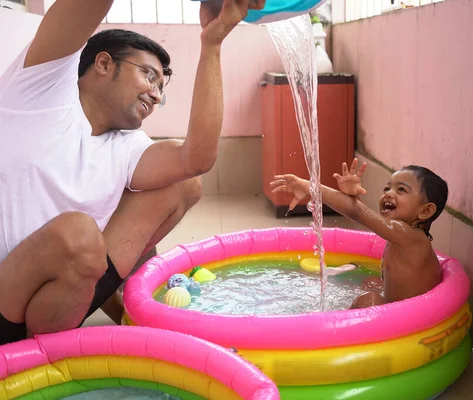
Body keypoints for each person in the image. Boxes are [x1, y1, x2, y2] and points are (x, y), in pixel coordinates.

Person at [0, 0, 266, 345]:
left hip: (60, 303)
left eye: (161, 90)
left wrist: (212, 43)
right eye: (149, 76)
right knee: (78, 233)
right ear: (103, 63)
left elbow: (196, 158)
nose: (155, 95)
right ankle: (34, 359)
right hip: (6, 297)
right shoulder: (40, 90)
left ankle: (114, 312)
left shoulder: (127, 145)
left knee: (181, 183)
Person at [270, 158, 448, 309]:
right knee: (372, 283)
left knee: (371, 299)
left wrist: (312, 188)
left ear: (425, 211)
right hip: (396, 310)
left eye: (401, 190)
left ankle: (341, 329)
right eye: (387, 188)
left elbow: (360, 214)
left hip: (412, 320)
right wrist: (353, 199)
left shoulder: (413, 238)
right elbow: (363, 215)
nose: (389, 194)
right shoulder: (400, 234)